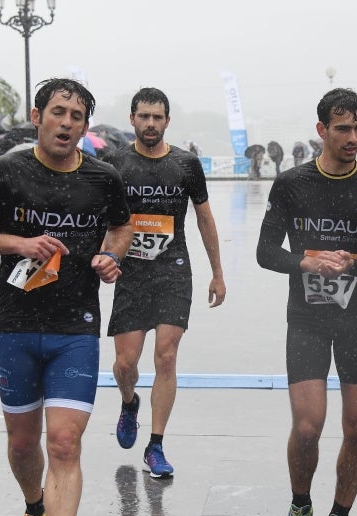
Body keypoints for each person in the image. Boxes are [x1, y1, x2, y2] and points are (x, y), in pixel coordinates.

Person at [0, 78, 132, 516]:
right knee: (24, 443)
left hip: (75, 327)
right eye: (58, 112)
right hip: (16, 326)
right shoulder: (7, 170)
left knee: (64, 442)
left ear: (85, 125)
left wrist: (110, 255)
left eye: (77, 116)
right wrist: (18, 242)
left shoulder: (103, 178)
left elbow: (121, 227)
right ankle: (34, 506)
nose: (67, 123)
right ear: (38, 116)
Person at [257, 88, 357, 516]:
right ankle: (300, 506)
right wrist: (307, 262)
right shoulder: (292, 183)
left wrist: (352, 266)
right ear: (321, 130)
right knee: (308, 426)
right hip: (307, 319)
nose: (354, 137)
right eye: (343, 129)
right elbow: (265, 252)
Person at [106, 87, 226, 478]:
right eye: (144, 116)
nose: (151, 123)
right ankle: (129, 403)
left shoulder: (186, 164)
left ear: (167, 121)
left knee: (166, 357)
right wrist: (101, 259)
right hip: (131, 273)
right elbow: (99, 218)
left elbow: (205, 218)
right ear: (132, 119)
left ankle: (155, 445)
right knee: (125, 363)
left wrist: (218, 273)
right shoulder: (115, 164)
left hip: (173, 268)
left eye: (158, 117)